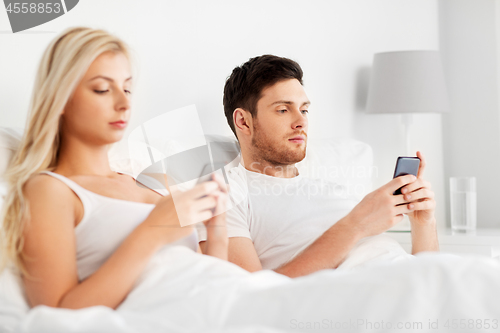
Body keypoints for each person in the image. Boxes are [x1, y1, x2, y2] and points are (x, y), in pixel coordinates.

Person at [0, 27, 228, 309]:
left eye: (127, 88)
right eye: (102, 89)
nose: (124, 103)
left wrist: (217, 230)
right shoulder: (50, 191)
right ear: (60, 98)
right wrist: (152, 232)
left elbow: (211, 288)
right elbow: (56, 315)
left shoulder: (156, 182)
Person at [198, 54, 439, 278]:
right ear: (243, 121)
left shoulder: (332, 187)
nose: (301, 121)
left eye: (304, 109)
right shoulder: (225, 195)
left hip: (413, 285)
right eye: (283, 109)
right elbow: (251, 297)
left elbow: (430, 276)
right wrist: (356, 224)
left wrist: (423, 224)